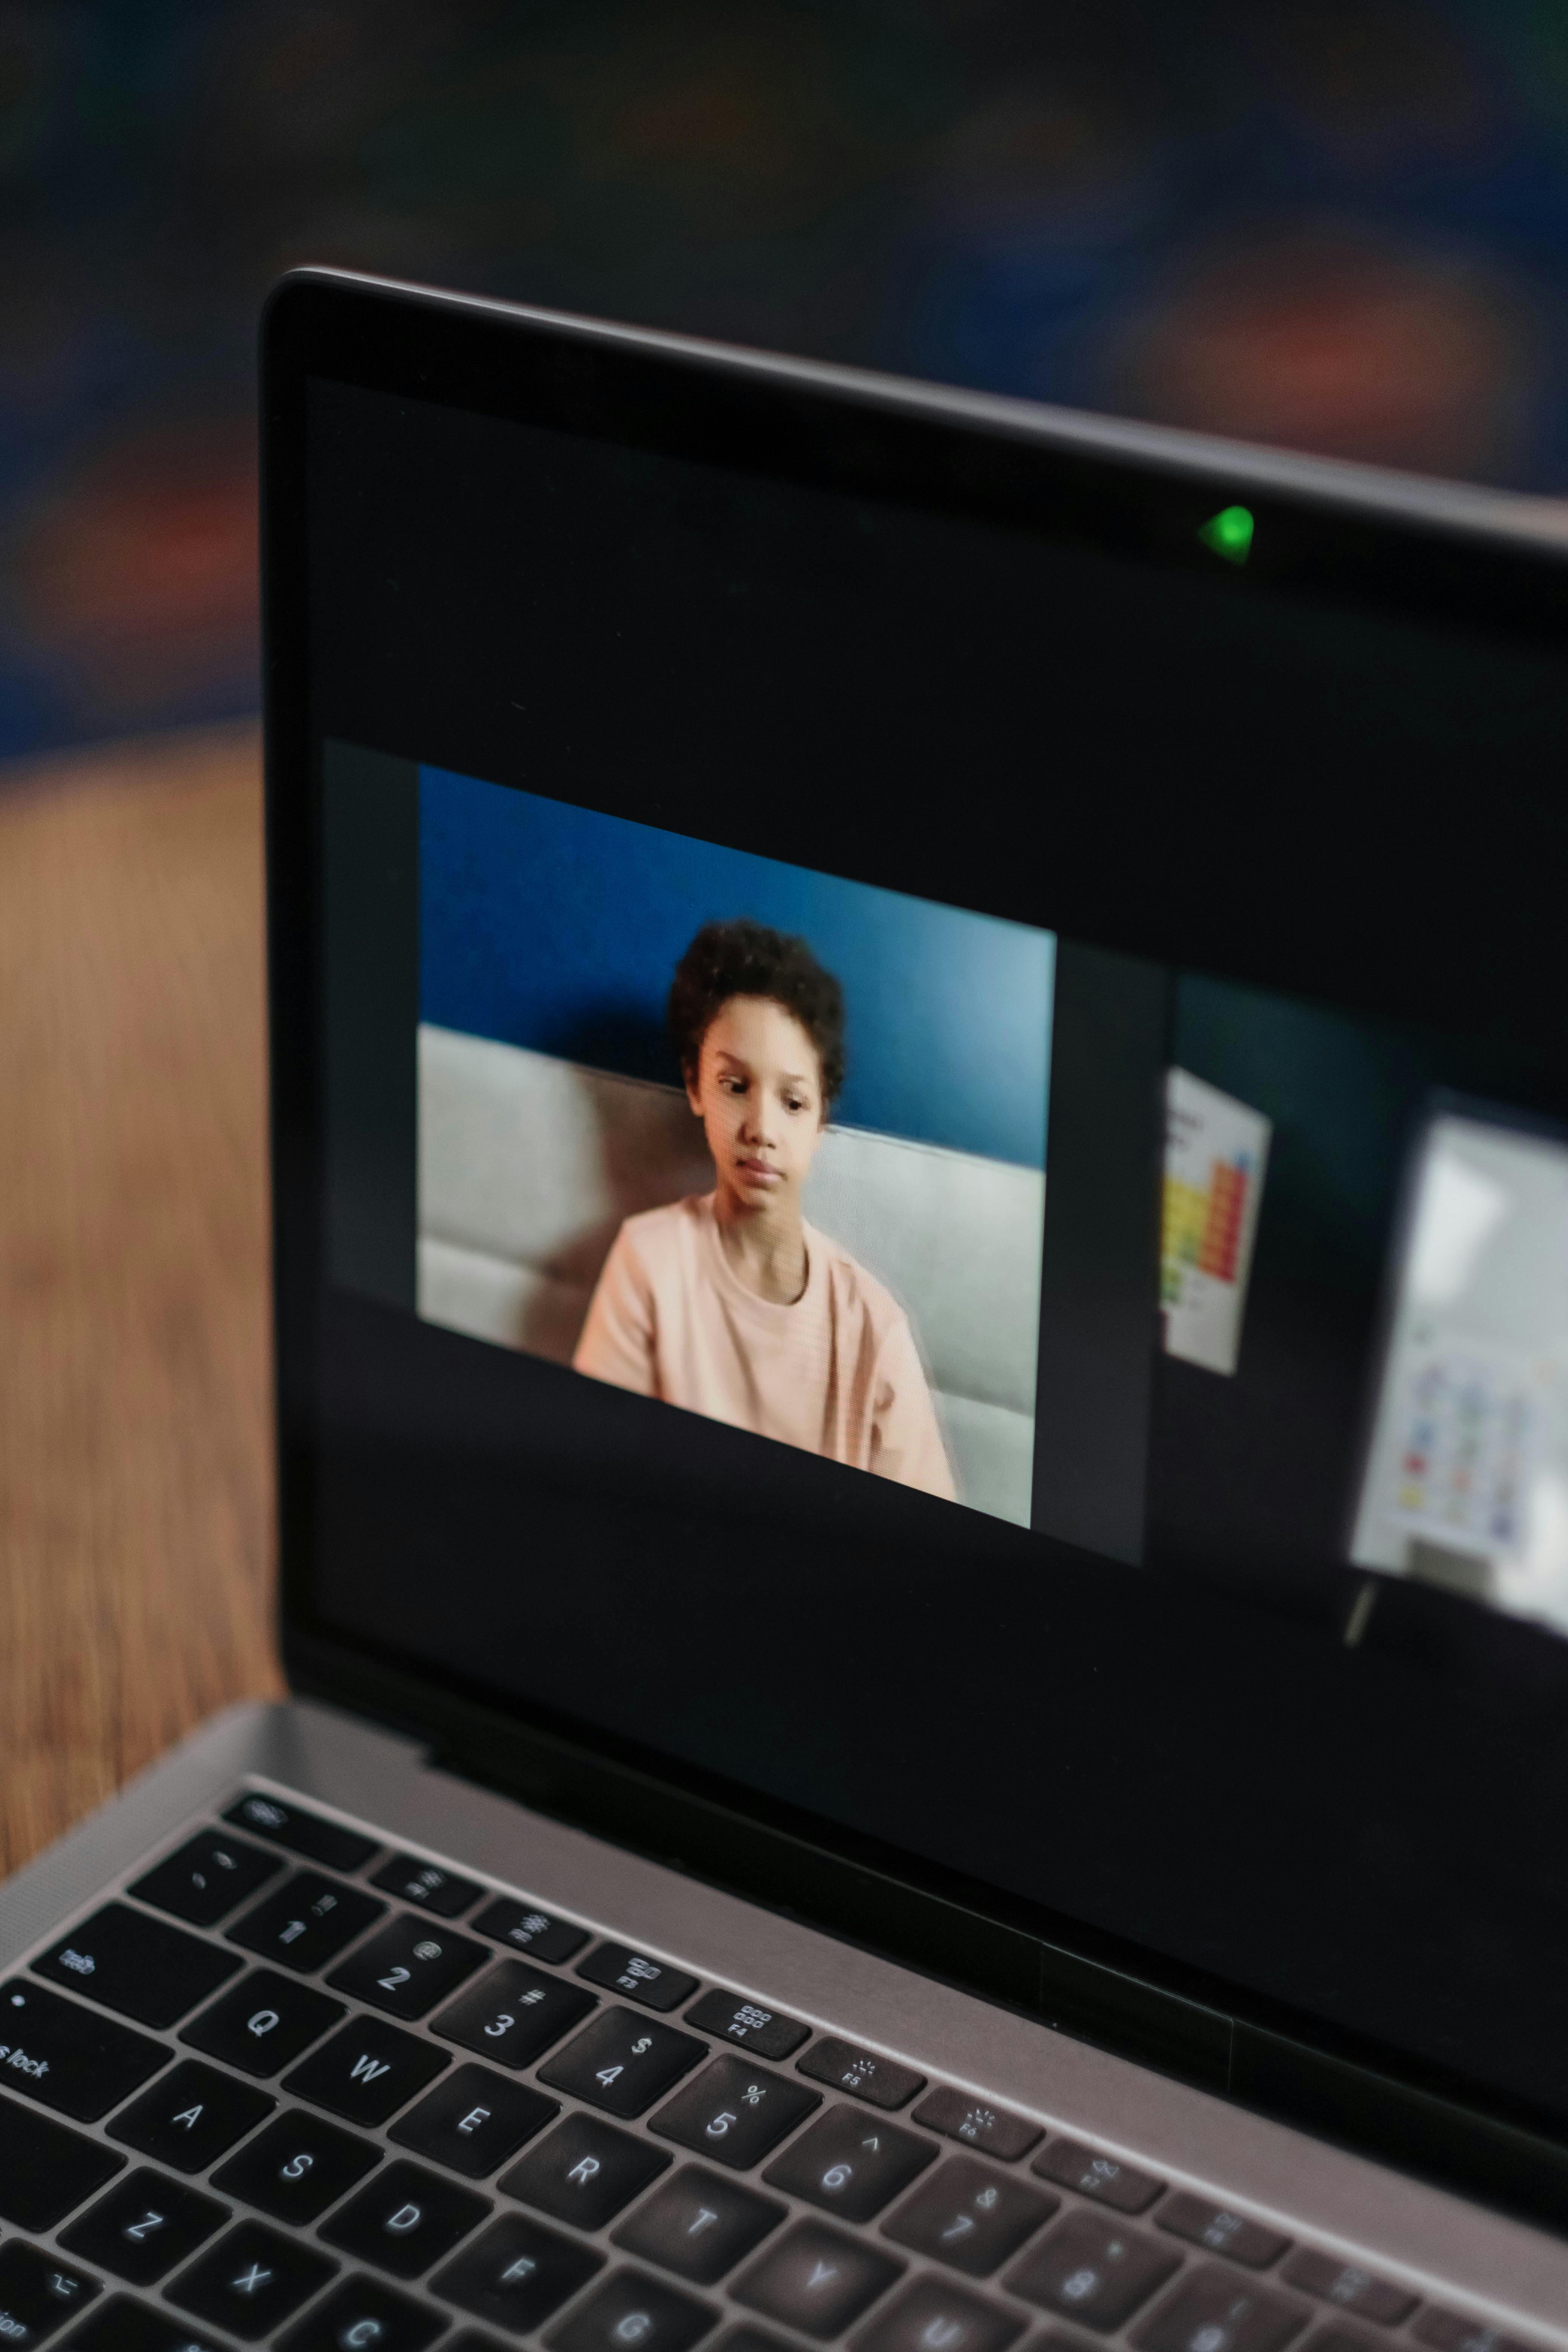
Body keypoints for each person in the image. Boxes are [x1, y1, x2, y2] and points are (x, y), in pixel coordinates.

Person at [574, 918, 956, 1500]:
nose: (761, 1129)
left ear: (821, 1120)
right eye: (734, 1086)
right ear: (696, 1085)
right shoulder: (649, 1263)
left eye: (793, 1101)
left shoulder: (874, 1333)